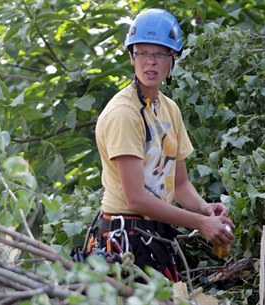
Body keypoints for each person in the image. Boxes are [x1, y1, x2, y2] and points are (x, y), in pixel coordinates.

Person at [92, 8, 235, 282]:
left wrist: (205, 209)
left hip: (156, 234)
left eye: (159, 54)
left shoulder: (169, 109)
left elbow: (180, 185)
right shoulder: (124, 113)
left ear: (174, 59)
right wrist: (200, 223)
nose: (150, 62)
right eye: (143, 53)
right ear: (131, 57)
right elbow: (136, 198)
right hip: (125, 237)